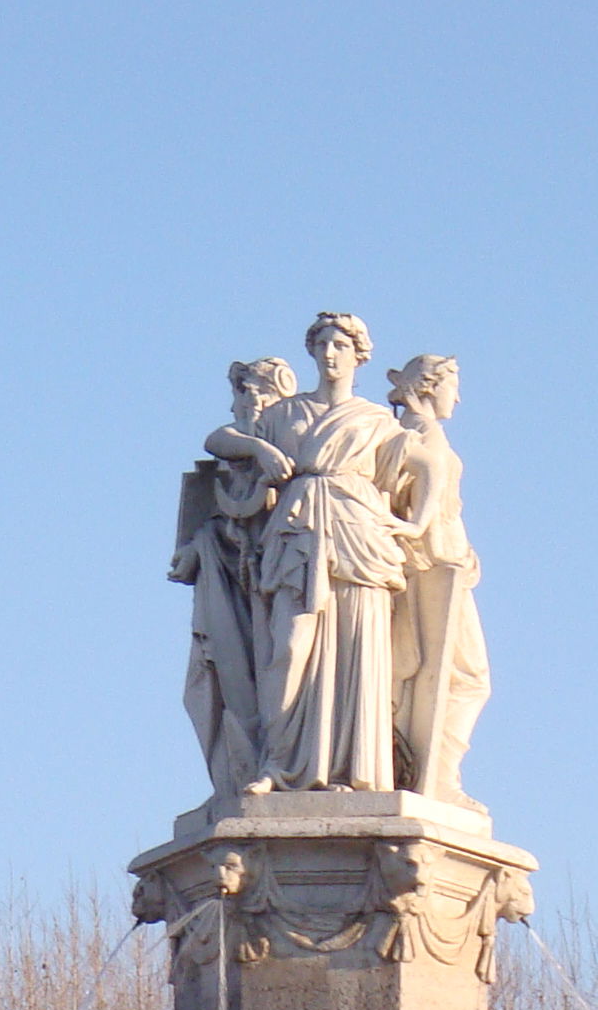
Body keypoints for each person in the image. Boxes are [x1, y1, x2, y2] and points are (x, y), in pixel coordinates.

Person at [217, 313, 410, 794]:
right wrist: (258, 451)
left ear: (358, 354)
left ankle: (352, 770)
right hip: (298, 532)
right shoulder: (286, 414)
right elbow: (218, 439)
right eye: (321, 345)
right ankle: (276, 764)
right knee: (289, 647)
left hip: (358, 534)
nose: (329, 354)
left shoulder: (376, 421)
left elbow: (428, 465)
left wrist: (417, 522)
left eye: (339, 345)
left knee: (354, 652)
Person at [174, 359, 295, 800]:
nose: (250, 400)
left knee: (283, 663)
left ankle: (281, 761)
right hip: (233, 579)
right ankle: (243, 768)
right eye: (243, 392)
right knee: (229, 677)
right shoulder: (244, 444)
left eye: (259, 390)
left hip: (283, 579)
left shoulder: (294, 442)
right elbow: (217, 440)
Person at [386, 354, 489, 806]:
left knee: (452, 675)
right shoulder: (412, 435)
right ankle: (437, 776)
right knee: (461, 676)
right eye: (453, 384)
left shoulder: (419, 433)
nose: (458, 395)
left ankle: (436, 773)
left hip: (447, 564)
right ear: (429, 386)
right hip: (429, 566)